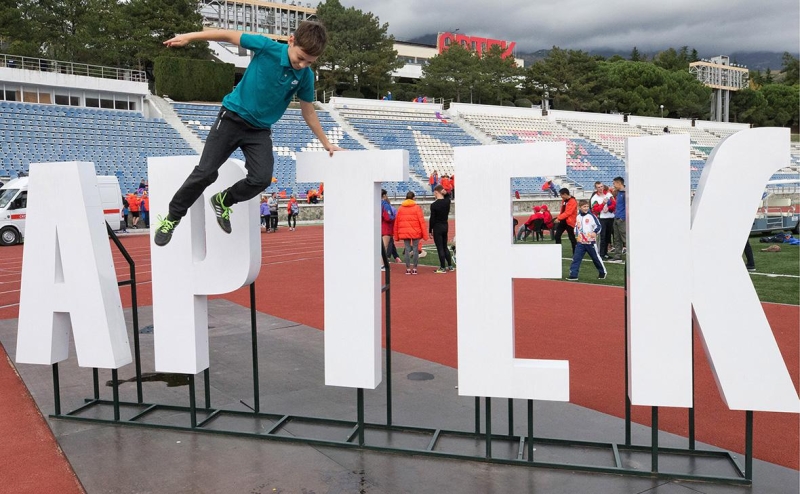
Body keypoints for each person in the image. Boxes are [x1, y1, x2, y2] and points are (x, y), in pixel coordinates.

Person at [153, 21, 342, 246]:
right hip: (232, 117)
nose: (302, 65)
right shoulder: (266, 47)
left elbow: (308, 111)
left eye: (309, 62)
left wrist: (326, 143)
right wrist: (189, 36)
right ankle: (172, 218)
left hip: (259, 130)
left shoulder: (305, 76)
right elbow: (227, 35)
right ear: (291, 40)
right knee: (205, 172)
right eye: (300, 58)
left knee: (262, 178)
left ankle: (224, 200)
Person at [566, 200, 606, 281]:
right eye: (584, 207)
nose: (586, 208)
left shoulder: (591, 216)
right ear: (580, 207)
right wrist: (576, 233)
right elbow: (577, 226)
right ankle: (573, 274)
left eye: (587, 206)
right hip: (580, 242)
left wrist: (595, 232)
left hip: (590, 241)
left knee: (595, 258)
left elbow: (598, 226)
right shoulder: (578, 217)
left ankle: (602, 272)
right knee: (576, 258)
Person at [393, 191, 428, 275]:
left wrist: (396, 235)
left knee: (407, 249)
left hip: (405, 232)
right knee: (415, 249)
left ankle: (408, 268)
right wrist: (425, 234)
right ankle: (415, 268)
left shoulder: (401, 208)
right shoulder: (417, 207)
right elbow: (421, 221)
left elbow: (397, 222)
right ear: (413, 198)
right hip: (416, 231)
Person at [429, 185, 454, 273]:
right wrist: (446, 193)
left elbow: (432, 219)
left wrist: (430, 230)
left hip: (437, 227)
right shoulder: (447, 201)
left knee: (440, 247)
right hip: (445, 225)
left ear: (436, 192)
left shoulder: (434, 205)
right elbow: (448, 196)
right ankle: (450, 266)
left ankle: (442, 267)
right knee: (445, 247)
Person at [589, 182, 615, 258]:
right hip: (601, 219)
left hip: (610, 218)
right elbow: (595, 209)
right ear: (596, 188)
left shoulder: (609, 195)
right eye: (598, 187)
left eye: (601, 186)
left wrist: (609, 208)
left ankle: (605, 253)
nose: (600, 188)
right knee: (602, 237)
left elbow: (614, 204)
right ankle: (601, 253)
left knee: (608, 236)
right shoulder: (595, 198)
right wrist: (603, 204)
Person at [608, 176, 627, 263]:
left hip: (622, 219)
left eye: (614, 183)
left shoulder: (626, 193)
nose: (613, 185)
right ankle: (617, 256)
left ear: (619, 183)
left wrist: (623, 217)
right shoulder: (618, 193)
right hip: (616, 217)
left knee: (625, 238)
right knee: (616, 238)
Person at [554, 188, 578, 253]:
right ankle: (558, 251)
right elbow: (562, 211)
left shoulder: (572, 201)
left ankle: (575, 252)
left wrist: (559, 218)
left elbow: (568, 212)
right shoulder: (564, 200)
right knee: (557, 236)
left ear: (565, 194)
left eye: (561, 195)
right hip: (563, 221)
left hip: (569, 222)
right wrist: (559, 218)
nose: (561, 197)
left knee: (571, 237)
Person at [380, 189, 399, 265]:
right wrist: (393, 218)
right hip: (385, 227)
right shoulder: (385, 204)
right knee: (384, 247)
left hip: (378, 226)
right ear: (384, 195)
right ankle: (382, 264)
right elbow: (387, 217)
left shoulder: (374, 203)